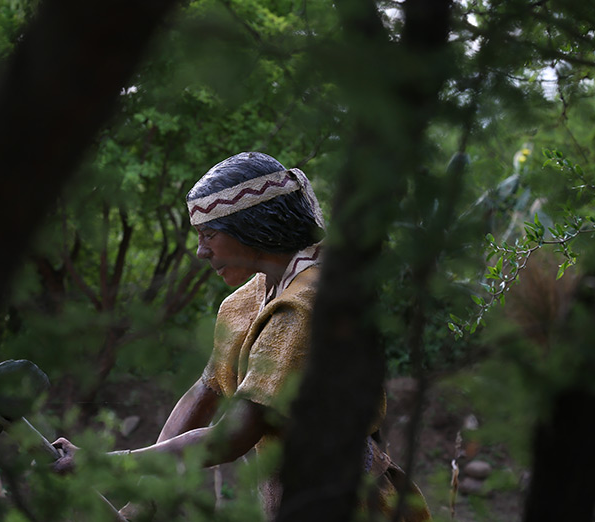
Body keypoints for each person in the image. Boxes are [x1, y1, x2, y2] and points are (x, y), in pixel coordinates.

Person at [53, 151, 430, 521]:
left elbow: (233, 437)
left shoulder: (308, 304)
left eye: (210, 235)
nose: (202, 252)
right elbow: (206, 392)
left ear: (251, 227)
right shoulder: (249, 299)